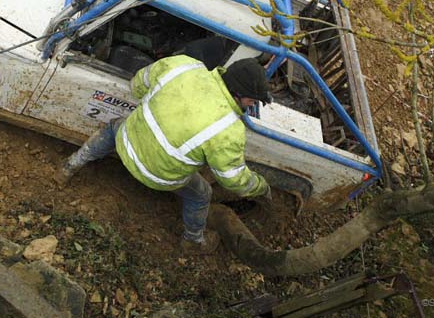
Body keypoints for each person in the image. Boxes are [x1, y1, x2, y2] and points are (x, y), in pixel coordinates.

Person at [55, 55, 272, 253]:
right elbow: (233, 180)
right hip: (158, 177)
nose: (252, 106)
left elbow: (137, 85)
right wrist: (261, 186)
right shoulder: (230, 131)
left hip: (127, 143)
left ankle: (69, 166)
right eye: (252, 101)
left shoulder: (184, 65)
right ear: (237, 94)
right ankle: (193, 241)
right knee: (202, 194)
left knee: (114, 127)